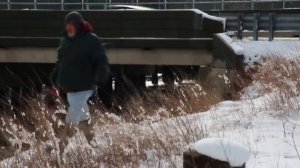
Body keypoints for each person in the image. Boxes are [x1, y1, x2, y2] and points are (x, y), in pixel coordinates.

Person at [51, 11, 110, 125]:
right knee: (83, 120)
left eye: (71, 24)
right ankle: (91, 142)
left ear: (78, 25)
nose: (69, 27)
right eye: (67, 25)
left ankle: (64, 142)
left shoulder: (91, 40)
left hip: (84, 87)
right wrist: (55, 76)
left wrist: (100, 77)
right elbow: (61, 62)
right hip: (69, 88)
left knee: (71, 121)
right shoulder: (64, 41)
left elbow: (102, 61)